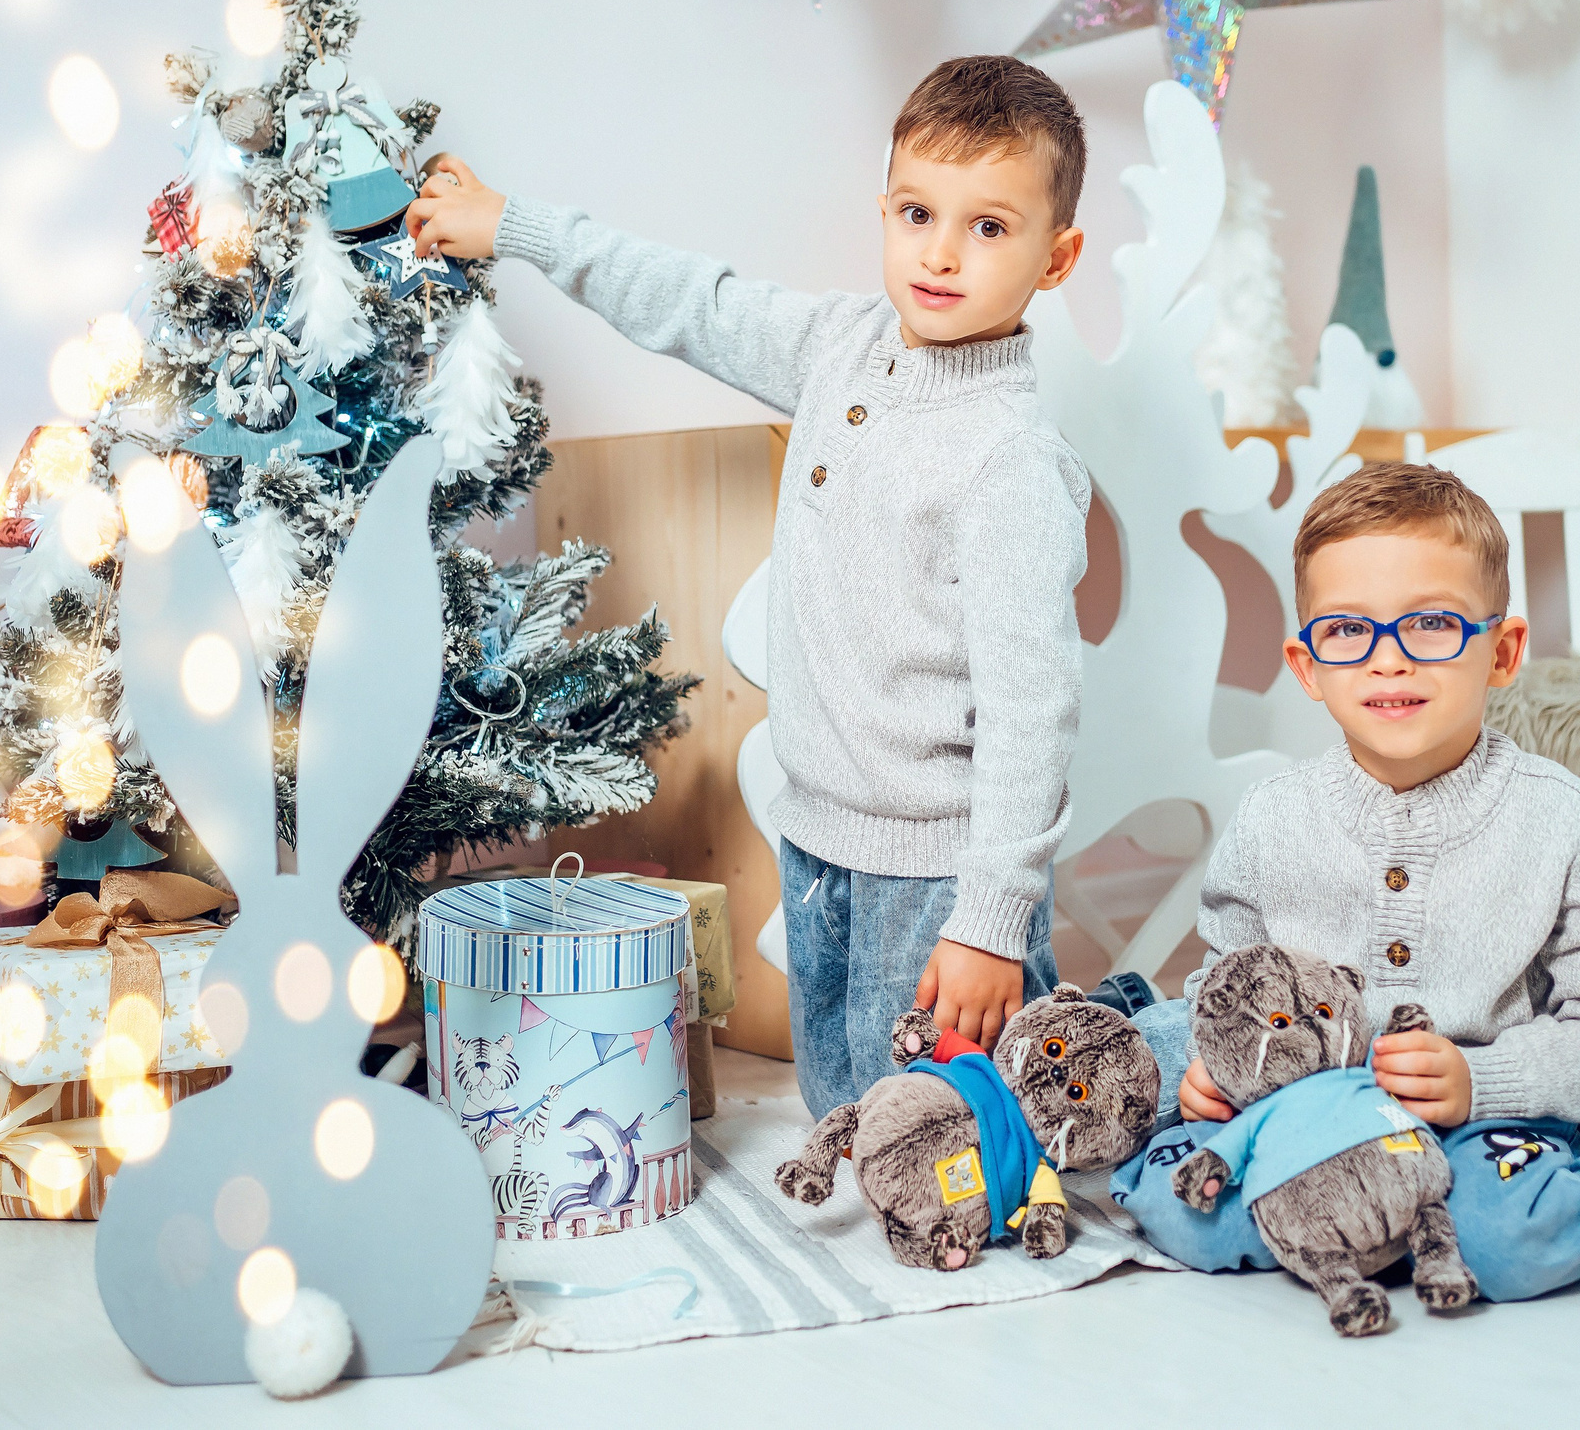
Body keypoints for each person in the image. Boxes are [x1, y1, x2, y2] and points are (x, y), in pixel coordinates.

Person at [402, 56, 1091, 1118]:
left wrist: (990, 920)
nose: (941, 252)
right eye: (917, 212)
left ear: (1058, 257)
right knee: (847, 1113)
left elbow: (1030, 713)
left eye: (989, 227)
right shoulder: (840, 350)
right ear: (886, 211)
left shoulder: (1008, 463)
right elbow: (689, 299)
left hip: (939, 878)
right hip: (818, 842)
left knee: (949, 1134)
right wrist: (515, 226)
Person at [1111, 463, 1580, 1302]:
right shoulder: (1272, 819)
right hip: (1311, 1117)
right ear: (1308, 666)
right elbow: (1225, 984)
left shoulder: (1571, 825)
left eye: (1428, 623)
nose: (1388, 660)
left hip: (1485, 1117)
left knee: (1512, 1243)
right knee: (1185, 1209)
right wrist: (1220, 1069)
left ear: (1501, 652)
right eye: (1348, 631)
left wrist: (1481, 1082)